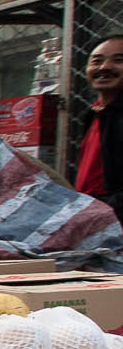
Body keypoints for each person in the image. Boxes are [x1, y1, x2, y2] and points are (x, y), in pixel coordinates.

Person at [75, 36, 123, 217]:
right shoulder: (95, 114)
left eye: (118, 60)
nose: (104, 67)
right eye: (97, 61)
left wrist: (99, 211)